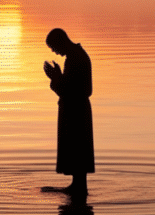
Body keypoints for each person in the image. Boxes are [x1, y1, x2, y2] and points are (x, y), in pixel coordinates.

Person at [42, 28, 95, 196]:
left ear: (60, 41)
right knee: (75, 148)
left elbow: (78, 90)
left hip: (76, 111)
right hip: (75, 109)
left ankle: (79, 188)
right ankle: (76, 185)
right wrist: (59, 77)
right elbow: (72, 86)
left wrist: (55, 79)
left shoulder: (76, 58)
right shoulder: (75, 56)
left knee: (77, 146)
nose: (54, 52)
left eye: (53, 47)